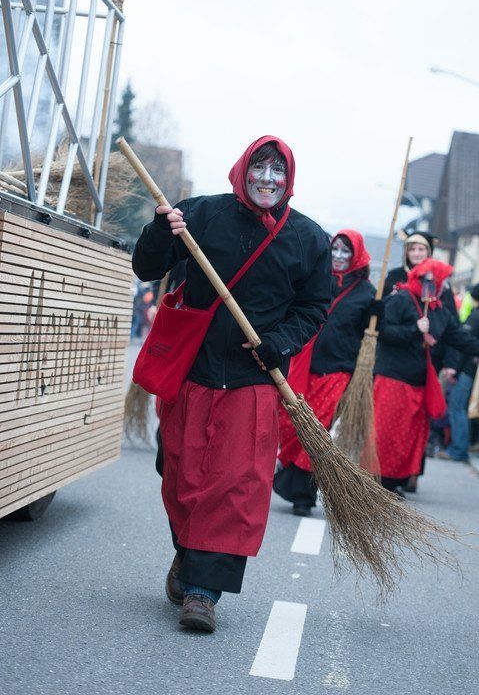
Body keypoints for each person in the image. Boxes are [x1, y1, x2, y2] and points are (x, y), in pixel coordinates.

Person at [133, 136, 331, 632]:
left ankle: (203, 592)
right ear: (243, 170)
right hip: (193, 372)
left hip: (252, 381)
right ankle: (188, 553)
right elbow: (147, 267)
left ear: (289, 179)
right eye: (259, 167)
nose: (268, 179)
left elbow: (313, 308)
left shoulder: (309, 240)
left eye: (278, 171)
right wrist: (160, 231)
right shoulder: (200, 214)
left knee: (236, 486)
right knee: (180, 475)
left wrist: (279, 342)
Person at [275, 230, 377, 516]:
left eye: (346, 251)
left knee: (316, 427)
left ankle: (303, 494)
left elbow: (373, 333)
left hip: (337, 370)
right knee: (290, 421)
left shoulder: (368, 293)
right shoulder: (318, 278)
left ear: (356, 255)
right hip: (304, 363)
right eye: (336, 249)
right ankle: (289, 473)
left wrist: (380, 313)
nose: (339, 256)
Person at [373, 259, 479, 496]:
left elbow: (460, 338)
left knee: (408, 436)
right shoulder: (401, 299)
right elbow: (383, 332)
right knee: (386, 433)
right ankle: (378, 481)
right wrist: (415, 329)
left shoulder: (439, 310)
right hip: (393, 378)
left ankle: (393, 482)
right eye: (441, 281)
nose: (443, 286)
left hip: (418, 381)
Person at [438, 283, 479, 462]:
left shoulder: (475, 316)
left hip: (466, 369)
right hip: (471, 368)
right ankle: (462, 445)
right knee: (461, 407)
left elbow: (464, 344)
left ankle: (458, 449)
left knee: (457, 406)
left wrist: (455, 369)